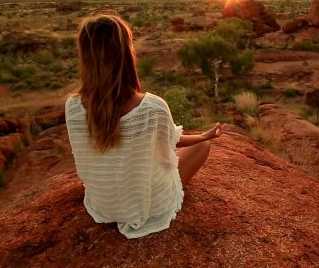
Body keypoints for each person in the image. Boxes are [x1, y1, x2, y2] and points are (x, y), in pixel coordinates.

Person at [65, 13, 222, 239]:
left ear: (85, 55)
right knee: (202, 147)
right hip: (148, 207)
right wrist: (203, 137)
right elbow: (171, 142)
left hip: (103, 205)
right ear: (126, 53)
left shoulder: (72, 107)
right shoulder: (151, 107)